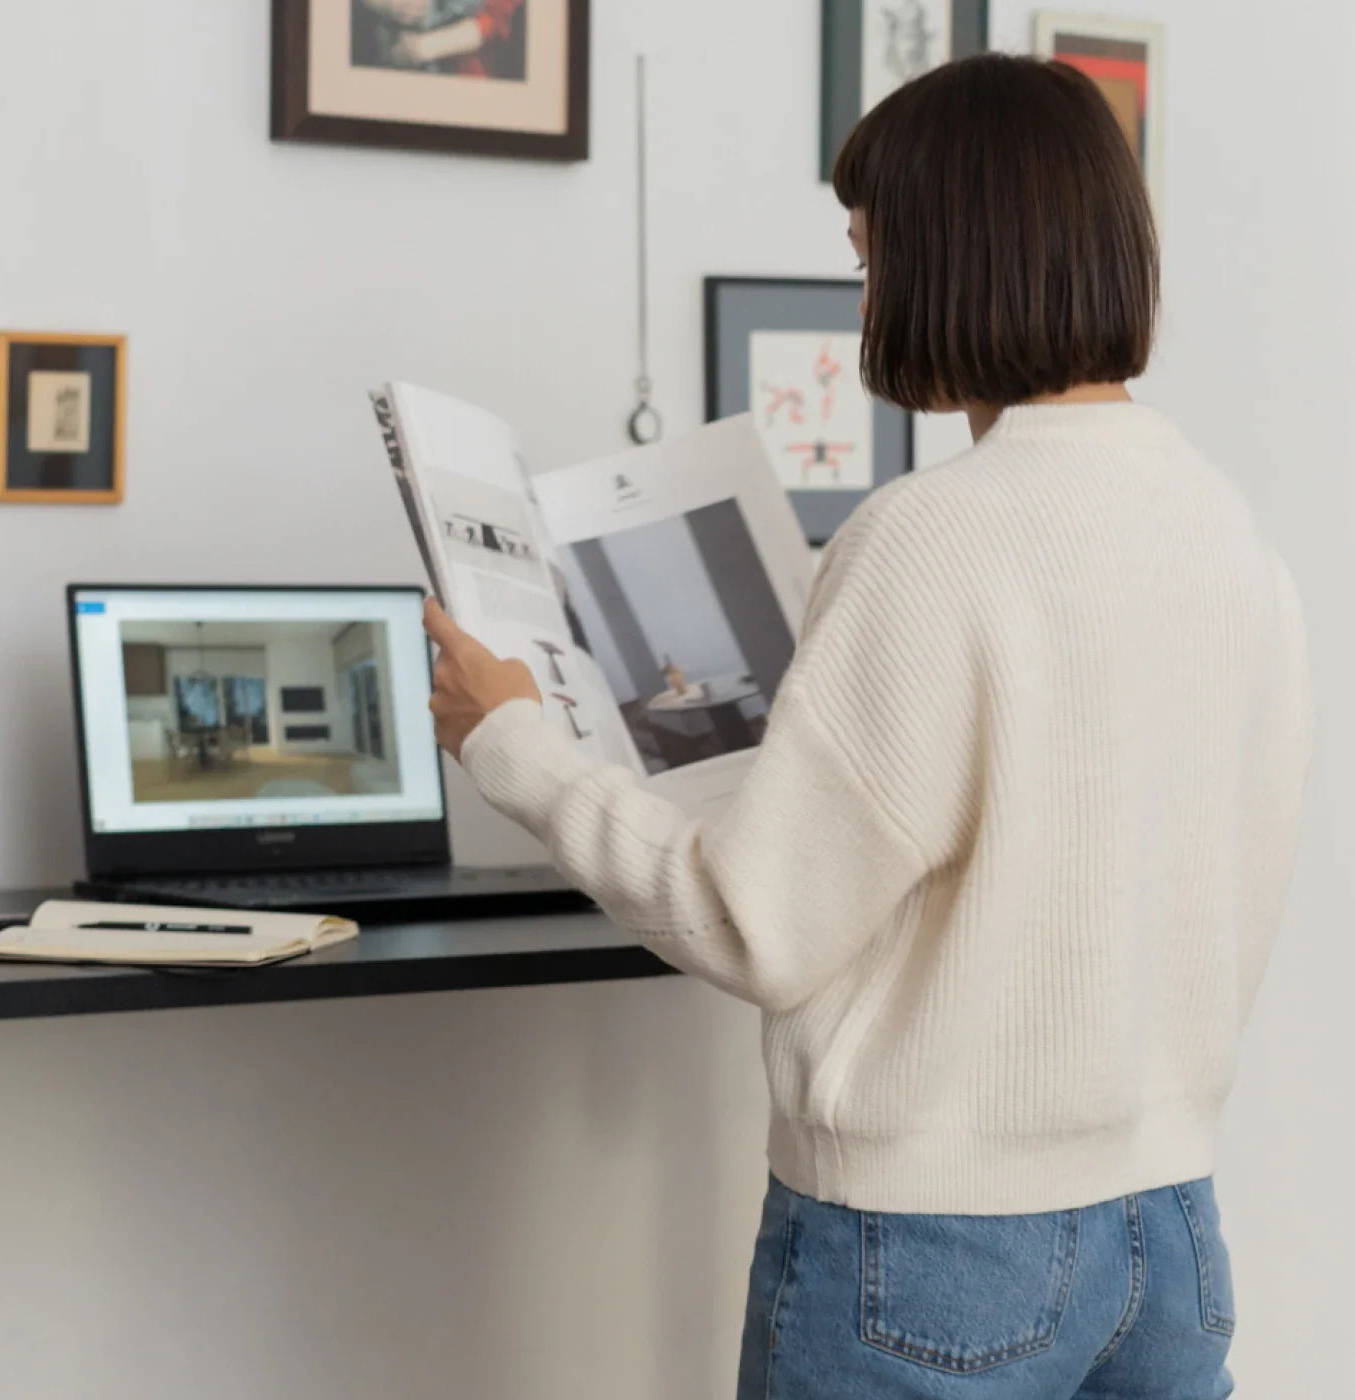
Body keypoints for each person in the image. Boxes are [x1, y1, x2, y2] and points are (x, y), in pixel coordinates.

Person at [422, 54, 1313, 1400]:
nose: (867, 300)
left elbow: (753, 925)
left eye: (867, 256)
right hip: (1169, 1241)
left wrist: (512, 742)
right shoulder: (1226, 530)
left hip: (935, 1254)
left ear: (949, 255)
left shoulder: (931, 539)